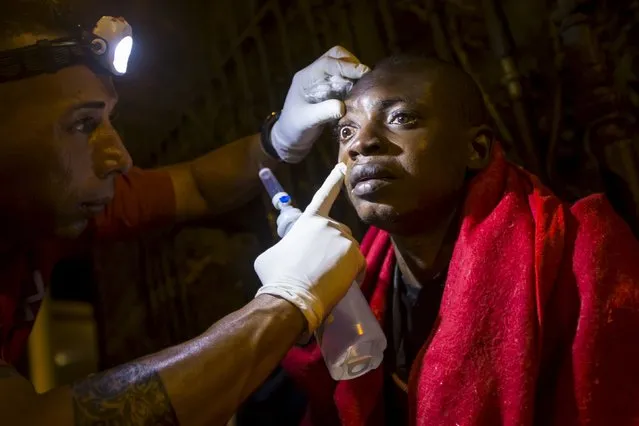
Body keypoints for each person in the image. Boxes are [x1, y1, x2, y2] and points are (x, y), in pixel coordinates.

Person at [0, 7, 368, 426]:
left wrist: (278, 138)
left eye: (110, 120)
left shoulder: (61, 203)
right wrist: (288, 301)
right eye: (84, 124)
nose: (120, 157)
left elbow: (194, 184)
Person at [279, 56, 639, 425]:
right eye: (346, 131)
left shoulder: (581, 251)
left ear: (476, 149)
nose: (362, 143)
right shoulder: (355, 280)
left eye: (401, 118)